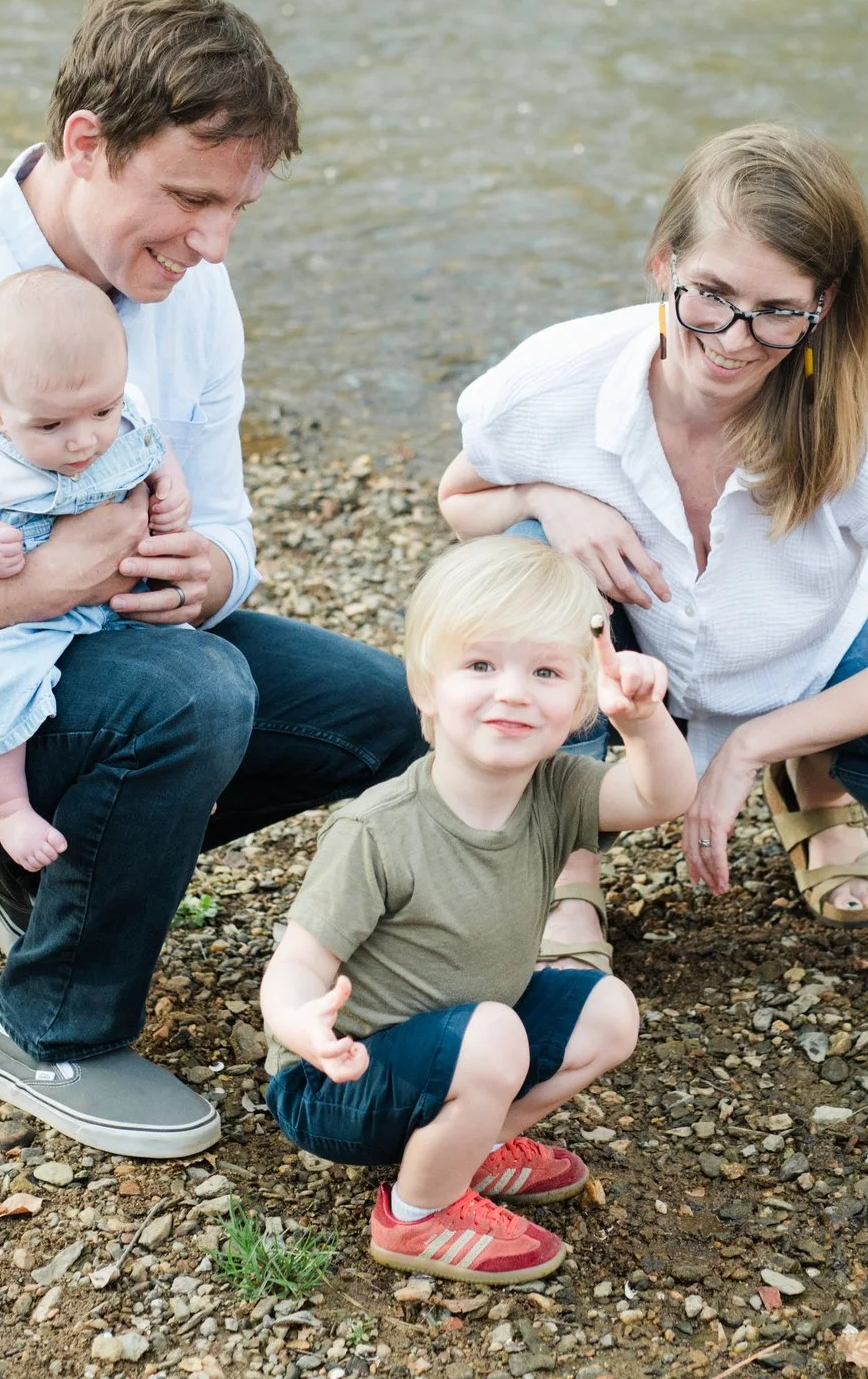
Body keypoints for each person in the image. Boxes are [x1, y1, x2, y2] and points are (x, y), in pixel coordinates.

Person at [0, 0, 426, 1160]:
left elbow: (231, 527)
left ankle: (66, 862)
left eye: (238, 208)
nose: (213, 243)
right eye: (189, 198)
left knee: (402, 713)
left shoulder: (190, 289)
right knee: (192, 692)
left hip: (94, 653)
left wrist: (210, 574)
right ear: (87, 143)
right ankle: (48, 1026)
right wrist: (46, 579)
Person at [437, 123, 868, 958]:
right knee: (533, 549)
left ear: (822, 305)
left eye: (777, 313)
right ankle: (565, 861)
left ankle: (812, 777)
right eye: (711, 295)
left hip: (805, 653)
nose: (732, 340)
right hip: (628, 651)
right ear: (664, 264)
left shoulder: (865, 411)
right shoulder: (555, 378)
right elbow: (458, 499)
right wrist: (545, 495)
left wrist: (754, 745)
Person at [257, 535, 694, 1285]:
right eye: (482, 665)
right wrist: (305, 1027)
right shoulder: (378, 829)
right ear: (426, 686)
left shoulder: (555, 790)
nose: (514, 692)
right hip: (341, 1081)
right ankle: (418, 1210)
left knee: (608, 1011)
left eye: (546, 672)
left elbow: (662, 797)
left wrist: (643, 722)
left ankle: (472, 1144)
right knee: (493, 1033)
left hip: (470, 1042)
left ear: (579, 701)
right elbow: (296, 962)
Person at [0, 268, 190, 873]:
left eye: (102, 411)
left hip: (116, 599)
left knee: (189, 661)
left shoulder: (125, 411)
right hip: (19, 615)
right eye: (51, 425)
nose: (84, 441)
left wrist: (171, 487)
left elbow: (153, 447)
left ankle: (186, 779)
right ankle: (8, 809)